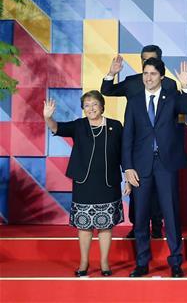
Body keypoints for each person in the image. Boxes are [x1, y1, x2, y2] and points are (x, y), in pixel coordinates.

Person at [43, 92, 129, 277]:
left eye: (94, 104)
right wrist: (48, 117)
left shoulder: (115, 126)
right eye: (87, 105)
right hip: (84, 183)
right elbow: (57, 128)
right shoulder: (79, 126)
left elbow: (124, 154)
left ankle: (105, 263)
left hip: (108, 183)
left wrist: (128, 178)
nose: (91, 108)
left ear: (102, 106)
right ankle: (84, 263)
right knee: (85, 226)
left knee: (106, 226)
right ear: (83, 109)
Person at [122, 58, 187, 278]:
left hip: (166, 164)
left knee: (171, 214)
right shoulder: (134, 101)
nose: (148, 77)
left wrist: (185, 86)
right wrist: (127, 167)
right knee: (141, 216)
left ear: (161, 76)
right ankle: (142, 262)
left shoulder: (172, 98)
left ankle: (175, 262)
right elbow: (128, 137)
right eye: (145, 73)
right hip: (141, 166)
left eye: (153, 74)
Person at [101, 44, 171, 238]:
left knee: (159, 193)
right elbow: (107, 91)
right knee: (137, 191)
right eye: (143, 59)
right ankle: (137, 227)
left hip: (162, 151)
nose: (146, 63)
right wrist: (111, 73)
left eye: (151, 59)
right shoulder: (132, 82)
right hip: (139, 149)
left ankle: (157, 226)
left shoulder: (170, 84)